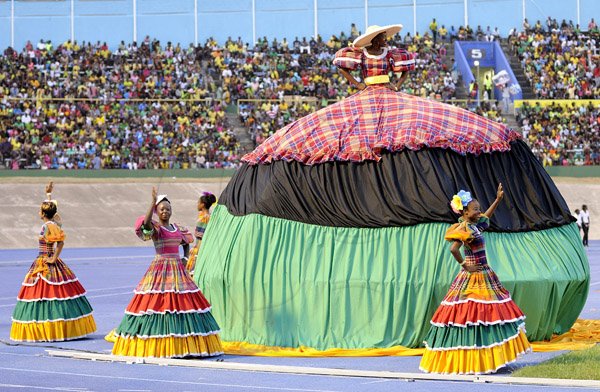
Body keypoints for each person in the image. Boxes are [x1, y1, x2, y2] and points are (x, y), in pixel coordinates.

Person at [420, 184, 531, 374]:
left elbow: (487, 216)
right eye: (475, 209)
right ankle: (471, 360)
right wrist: (465, 265)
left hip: (484, 272)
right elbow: (453, 249)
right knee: (472, 315)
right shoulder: (463, 228)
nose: (479, 212)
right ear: (464, 212)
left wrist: (497, 200)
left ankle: (486, 358)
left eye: (479, 209)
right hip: (473, 274)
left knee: (487, 316)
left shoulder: (475, 225)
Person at [111, 187, 223, 358]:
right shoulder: (156, 228)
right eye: (162, 209)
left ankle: (183, 344)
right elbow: (146, 224)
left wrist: (185, 258)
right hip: (160, 268)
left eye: (168, 209)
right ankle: (161, 343)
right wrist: (151, 202)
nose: (165, 211)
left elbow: (186, 242)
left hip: (178, 269)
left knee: (182, 306)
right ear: (157, 211)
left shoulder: (177, 228)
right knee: (160, 305)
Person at [11, 182, 97, 341]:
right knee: (53, 294)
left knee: (45, 295)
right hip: (44, 260)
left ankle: (47, 329)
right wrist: (48, 195)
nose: (38, 212)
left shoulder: (47, 227)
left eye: (40, 210)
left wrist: (53, 258)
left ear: (43, 213)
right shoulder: (53, 223)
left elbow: (61, 241)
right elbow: (54, 214)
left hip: (45, 261)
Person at [187, 192, 217, 277]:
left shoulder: (203, 219)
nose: (197, 205)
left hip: (200, 250)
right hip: (208, 249)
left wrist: (196, 254)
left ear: (202, 205)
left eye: (198, 203)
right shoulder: (211, 217)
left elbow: (201, 238)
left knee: (192, 274)